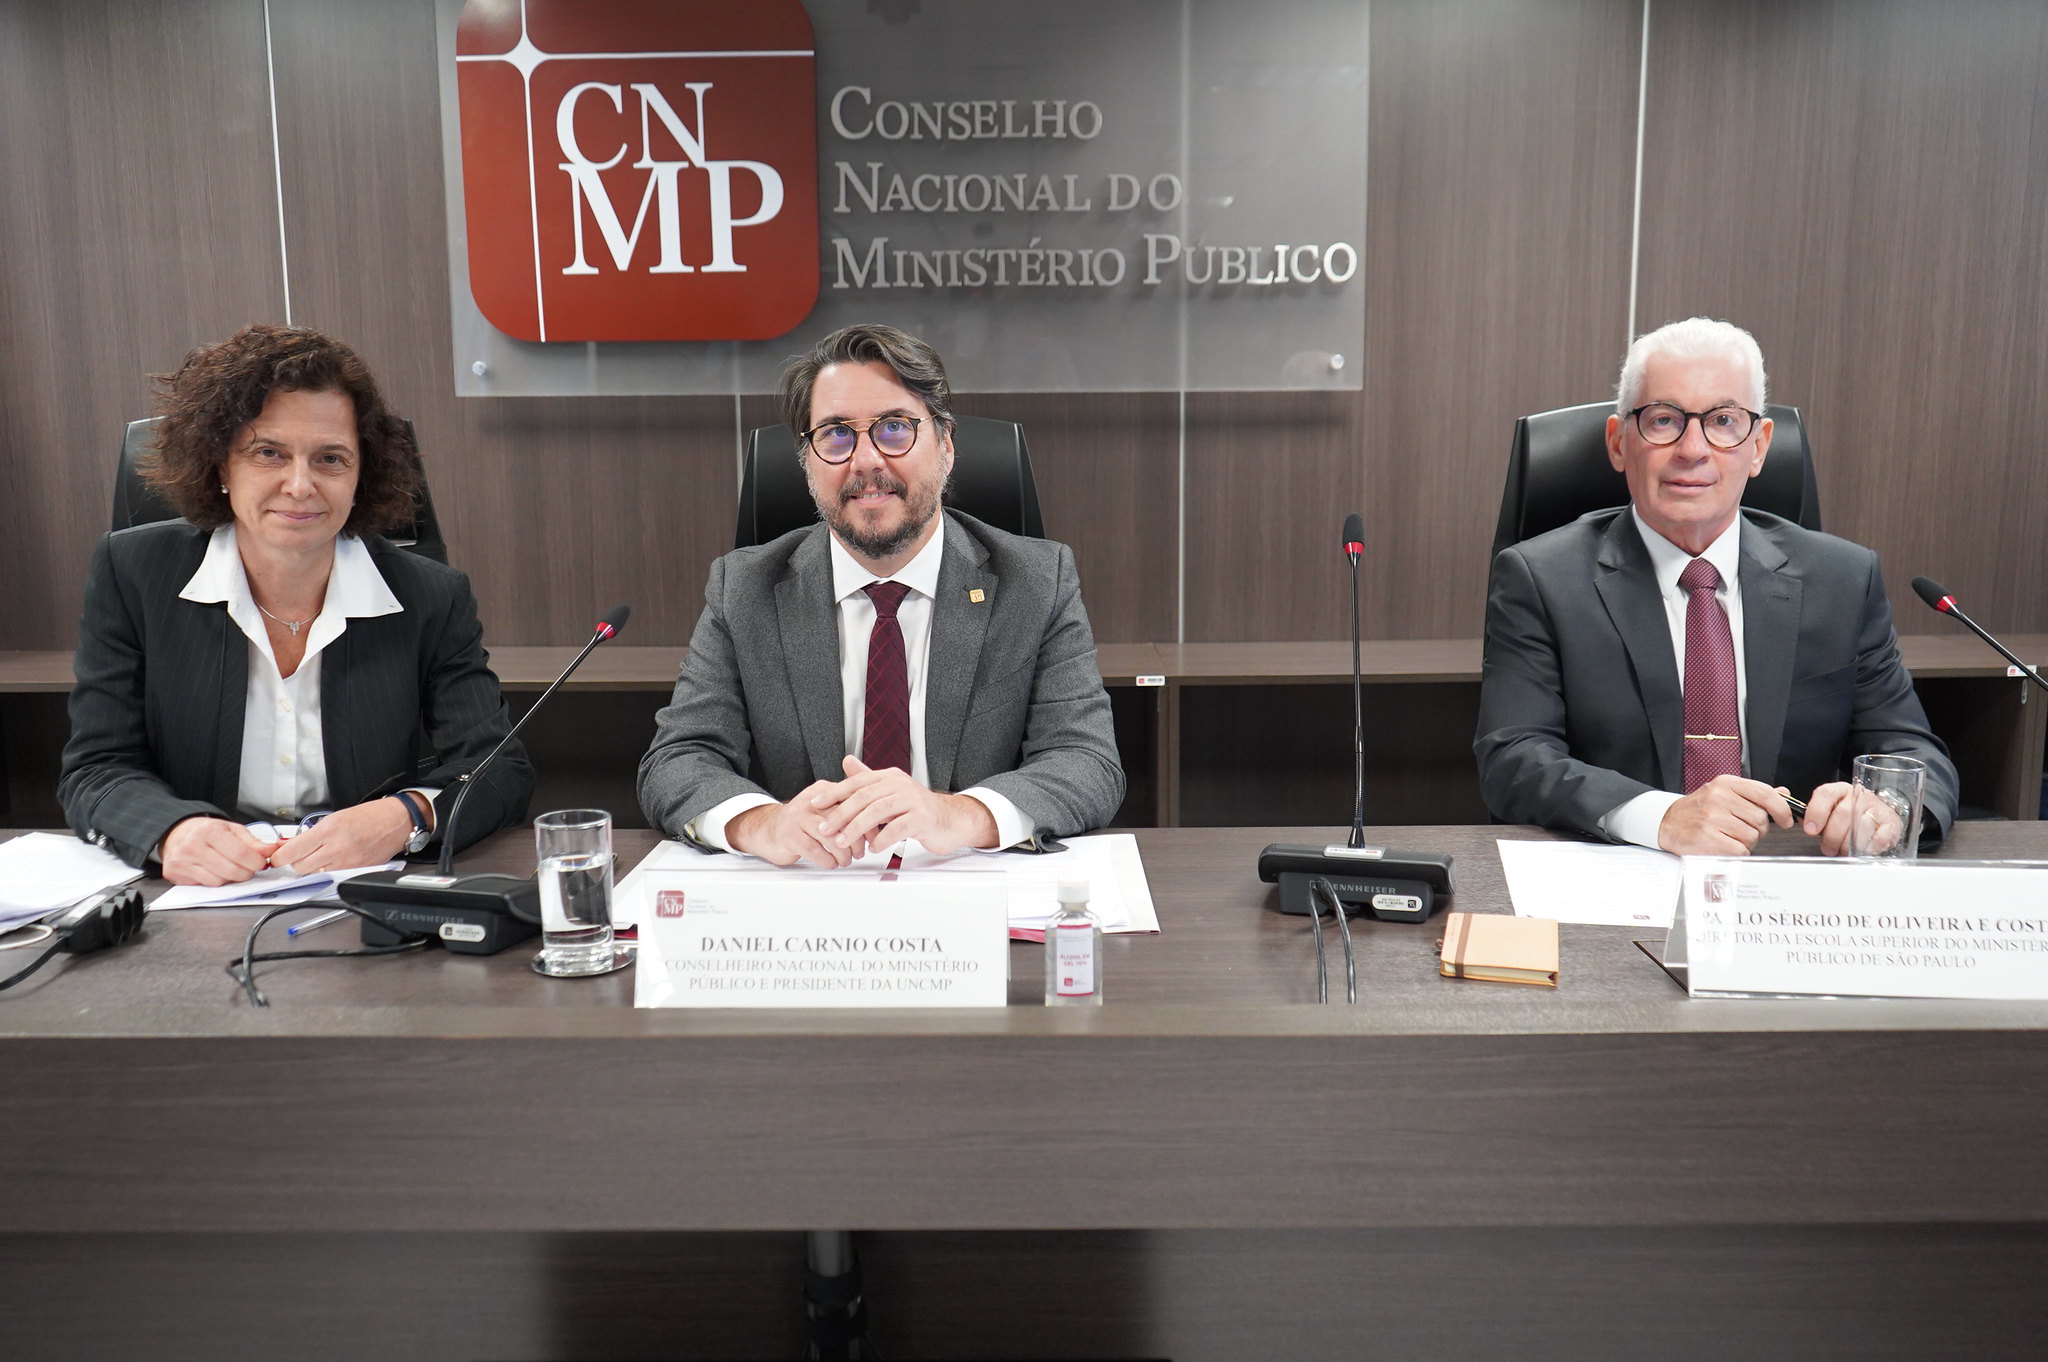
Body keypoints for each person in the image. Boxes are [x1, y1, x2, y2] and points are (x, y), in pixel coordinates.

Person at [60, 324, 533, 885]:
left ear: (361, 475)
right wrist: (171, 831)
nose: (300, 484)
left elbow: (499, 770)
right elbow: (97, 768)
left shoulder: (430, 596)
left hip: (360, 890)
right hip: (200, 894)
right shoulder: (134, 574)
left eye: (331, 459)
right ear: (221, 466)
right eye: (269, 453)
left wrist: (406, 816)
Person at [638, 323, 1124, 865]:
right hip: (810, 890)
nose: (866, 460)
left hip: (963, 885)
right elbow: (679, 759)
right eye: (836, 434)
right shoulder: (745, 589)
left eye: (894, 428)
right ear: (807, 462)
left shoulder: (1035, 582)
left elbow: (1086, 762)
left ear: (945, 446)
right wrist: (762, 824)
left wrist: (957, 815)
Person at [1475, 316, 1958, 856]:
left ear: (1759, 446)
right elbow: (1514, 758)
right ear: (1618, 443)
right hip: (1622, 867)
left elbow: (1911, 750)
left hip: (1789, 875)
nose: (1692, 449)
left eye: (1723, 421)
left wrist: (1888, 809)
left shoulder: (1842, 578)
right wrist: (1661, 817)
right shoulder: (1541, 578)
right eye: (1663, 420)